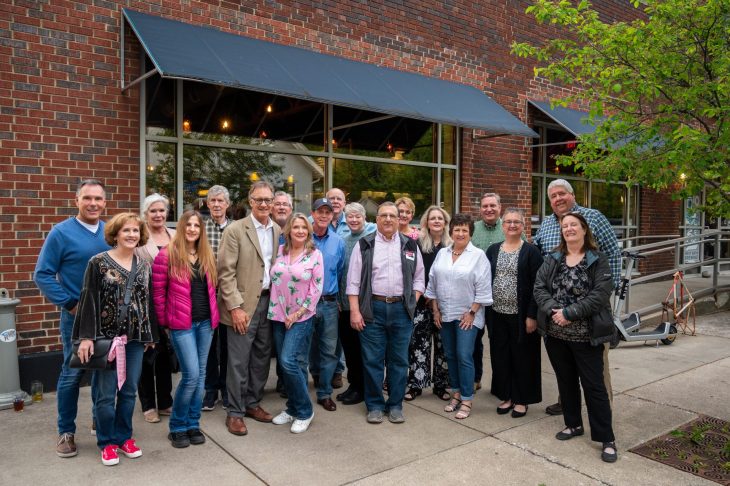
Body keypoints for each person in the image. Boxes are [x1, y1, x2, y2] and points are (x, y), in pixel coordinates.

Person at [34, 179, 111, 458]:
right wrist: (69, 304)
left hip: (108, 317)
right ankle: (66, 431)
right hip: (76, 317)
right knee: (72, 373)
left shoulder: (108, 230)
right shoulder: (61, 233)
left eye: (98, 199)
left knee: (102, 370)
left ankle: (97, 420)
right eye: (87, 198)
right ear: (76, 200)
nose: (93, 204)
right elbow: (42, 274)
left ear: (105, 202)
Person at [533, 211, 617, 463]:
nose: (569, 228)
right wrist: (553, 312)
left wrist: (570, 312)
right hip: (556, 334)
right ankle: (573, 424)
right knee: (566, 381)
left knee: (594, 387)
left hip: (586, 336)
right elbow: (539, 288)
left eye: (573, 225)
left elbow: (601, 293)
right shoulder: (553, 258)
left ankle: (606, 438)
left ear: (584, 230)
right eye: (565, 225)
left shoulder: (597, 258)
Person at [73, 212, 156, 466]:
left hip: (134, 341)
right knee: (106, 394)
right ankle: (107, 442)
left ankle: (124, 437)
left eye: (135, 231)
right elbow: (88, 299)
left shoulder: (144, 265)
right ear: (115, 234)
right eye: (126, 230)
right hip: (106, 341)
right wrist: (86, 337)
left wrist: (149, 336)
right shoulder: (97, 263)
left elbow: (146, 302)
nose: (131, 235)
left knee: (129, 391)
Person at [533, 179, 620, 416]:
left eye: (562, 194)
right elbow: (539, 257)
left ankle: (604, 412)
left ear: (572, 195)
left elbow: (612, 254)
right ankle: (567, 403)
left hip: (591, 306)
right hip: (556, 311)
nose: (558, 199)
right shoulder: (547, 225)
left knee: (596, 369)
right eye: (553, 196)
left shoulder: (594, 217)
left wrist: (607, 291)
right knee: (565, 365)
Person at [347, 201, 425, 424]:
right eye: (384, 216)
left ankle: (395, 405)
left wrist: (412, 300)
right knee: (372, 360)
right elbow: (353, 282)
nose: (389, 219)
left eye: (393, 215)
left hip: (402, 310)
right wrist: (354, 311)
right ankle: (374, 405)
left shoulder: (410, 245)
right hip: (373, 309)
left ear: (399, 219)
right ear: (377, 219)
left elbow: (420, 277)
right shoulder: (364, 245)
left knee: (399, 361)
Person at [217, 181, 282, 436]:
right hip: (243, 305)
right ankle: (234, 412)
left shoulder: (277, 229)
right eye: (259, 200)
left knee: (262, 357)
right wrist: (235, 308)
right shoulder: (235, 230)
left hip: (269, 302)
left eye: (268, 200)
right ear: (250, 201)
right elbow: (225, 272)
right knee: (238, 361)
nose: (264, 204)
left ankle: (252, 403)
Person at [153, 210, 220, 448]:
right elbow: (158, 294)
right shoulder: (166, 255)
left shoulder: (207, 254)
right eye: (188, 225)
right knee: (191, 376)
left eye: (197, 225)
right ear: (181, 228)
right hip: (181, 325)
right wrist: (165, 324)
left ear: (201, 230)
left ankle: (193, 423)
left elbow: (214, 289)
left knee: (201, 377)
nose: (192, 229)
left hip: (205, 324)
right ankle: (177, 426)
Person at [425, 213, 492, 420]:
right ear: (451, 232)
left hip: (467, 315)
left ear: (470, 233)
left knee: (464, 355)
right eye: (457, 229)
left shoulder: (478, 255)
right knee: (450, 355)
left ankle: (467, 398)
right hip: (445, 314)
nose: (460, 233)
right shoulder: (443, 253)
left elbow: (483, 286)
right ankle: (455, 392)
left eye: (465, 230)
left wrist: (472, 312)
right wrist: (435, 310)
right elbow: (433, 282)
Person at [269, 213, 324, 433]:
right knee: (291, 365)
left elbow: (316, 288)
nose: (300, 231)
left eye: (304, 227)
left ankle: (304, 410)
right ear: (289, 230)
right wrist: (284, 313)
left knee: (288, 361)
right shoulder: (281, 253)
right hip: (278, 315)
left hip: (302, 317)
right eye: (296, 227)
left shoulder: (314, 255)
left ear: (308, 231)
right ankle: (292, 408)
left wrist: (298, 313)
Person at [485, 208, 543, 418]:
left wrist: (532, 315)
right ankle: (506, 396)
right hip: (497, 314)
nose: (511, 225)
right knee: (501, 356)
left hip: (522, 316)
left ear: (523, 226)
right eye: (508, 221)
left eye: (516, 222)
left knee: (523, 357)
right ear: (502, 225)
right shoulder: (492, 250)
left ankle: (521, 399)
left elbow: (539, 286)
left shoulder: (531, 251)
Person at [405, 205, 451, 402]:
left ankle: (441, 385)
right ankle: (416, 384)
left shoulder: (451, 245)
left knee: (443, 345)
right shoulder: (417, 244)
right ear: (426, 222)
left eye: (440, 218)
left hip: (445, 303)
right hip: (421, 302)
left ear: (445, 222)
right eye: (433, 218)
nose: (436, 221)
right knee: (418, 345)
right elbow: (413, 272)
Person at [136, 193, 175, 424]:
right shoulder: (139, 237)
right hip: (146, 303)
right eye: (153, 211)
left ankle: (166, 402)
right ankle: (148, 404)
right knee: (146, 355)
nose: (158, 214)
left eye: (161, 210)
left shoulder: (175, 234)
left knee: (164, 354)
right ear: (145, 214)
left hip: (170, 302)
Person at [336, 203, 376, 405]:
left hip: (363, 307)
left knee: (363, 351)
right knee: (350, 349)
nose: (353, 220)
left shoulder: (371, 240)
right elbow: (340, 272)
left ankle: (363, 388)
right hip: (344, 306)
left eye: (357, 217)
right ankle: (354, 385)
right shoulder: (342, 241)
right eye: (349, 217)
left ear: (364, 218)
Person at [309, 198, 345, 412]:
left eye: (327, 212)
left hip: (329, 303)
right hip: (306, 304)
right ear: (312, 213)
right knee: (306, 348)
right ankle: (312, 380)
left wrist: (338, 300)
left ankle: (324, 393)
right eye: (319, 212)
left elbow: (339, 272)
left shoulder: (338, 242)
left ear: (332, 216)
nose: (323, 216)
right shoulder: (303, 237)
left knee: (329, 350)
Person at [470, 192, 509, 391]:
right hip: (474, 296)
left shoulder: (509, 227)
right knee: (474, 339)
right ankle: (475, 378)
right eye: (485, 206)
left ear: (499, 207)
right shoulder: (473, 230)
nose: (489, 209)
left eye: (492, 205)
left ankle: (500, 383)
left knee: (498, 342)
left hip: (501, 297)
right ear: (480, 209)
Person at [202, 185, 231, 411]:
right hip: (206, 295)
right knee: (209, 345)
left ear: (227, 204)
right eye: (213, 201)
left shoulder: (237, 229)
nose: (217, 204)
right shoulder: (200, 228)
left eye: (221, 201)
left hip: (230, 296)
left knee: (229, 344)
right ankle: (210, 389)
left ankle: (227, 389)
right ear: (207, 204)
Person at [271, 190, 293, 397]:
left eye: (285, 204)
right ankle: (282, 379)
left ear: (291, 209)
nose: (281, 207)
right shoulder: (269, 232)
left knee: (293, 345)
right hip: (272, 300)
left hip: (295, 300)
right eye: (277, 204)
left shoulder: (298, 230)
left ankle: (291, 380)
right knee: (277, 344)